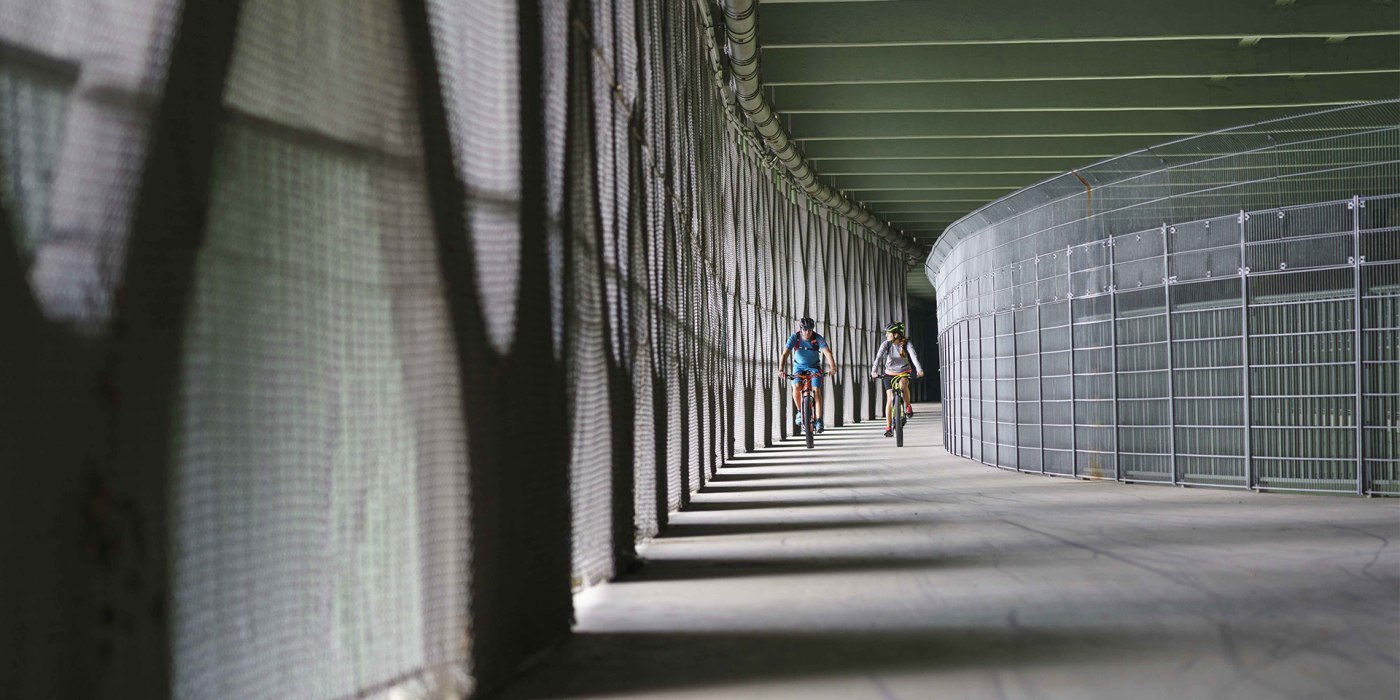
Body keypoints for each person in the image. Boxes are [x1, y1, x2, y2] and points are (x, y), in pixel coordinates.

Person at [777, 317, 837, 434]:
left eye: (810, 330)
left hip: (814, 367)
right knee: (796, 386)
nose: (807, 332)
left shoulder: (817, 338)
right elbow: (785, 354)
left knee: (816, 390)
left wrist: (833, 368)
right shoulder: (795, 337)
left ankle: (819, 420)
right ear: (801, 329)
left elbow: (827, 352)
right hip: (798, 367)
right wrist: (781, 369)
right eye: (805, 329)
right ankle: (800, 411)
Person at [869, 321, 923, 438]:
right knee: (890, 398)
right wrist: (874, 371)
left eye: (889, 334)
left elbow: (913, 356)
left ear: (896, 335)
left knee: (903, 386)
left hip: (903, 372)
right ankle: (888, 427)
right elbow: (878, 358)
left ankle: (907, 406)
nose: (887, 336)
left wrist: (919, 369)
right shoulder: (886, 344)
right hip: (889, 373)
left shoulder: (906, 344)